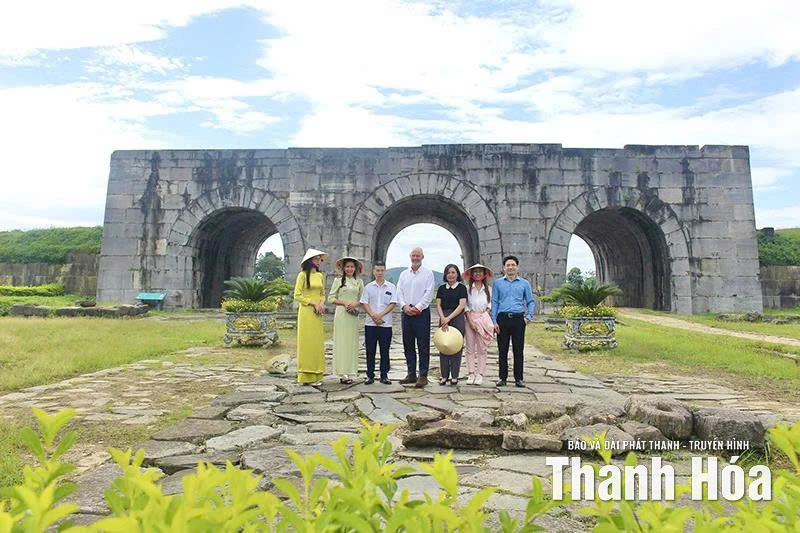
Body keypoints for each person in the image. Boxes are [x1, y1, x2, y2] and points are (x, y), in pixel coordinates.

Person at [491, 255, 535, 387]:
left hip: (518, 319)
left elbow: (530, 301)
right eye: (508, 265)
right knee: (502, 350)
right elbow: (494, 302)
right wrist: (494, 321)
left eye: (513, 265)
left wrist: (528, 317)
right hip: (502, 318)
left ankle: (519, 378)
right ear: (504, 268)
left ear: (517, 267)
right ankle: (502, 378)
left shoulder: (524, 283)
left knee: (518, 350)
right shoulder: (497, 283)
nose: (510, 267)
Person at [396, 247, 435, 388]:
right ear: (410, 256)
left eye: (418, 255)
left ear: (422, 257)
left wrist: (418, 307)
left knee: (423, 345)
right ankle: (411, 373)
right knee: (408, 344)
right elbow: (399, 292)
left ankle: (423, 375)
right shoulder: (403, 274)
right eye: (413, 255)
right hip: (406, 313)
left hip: (421, 313)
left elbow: (429, 293)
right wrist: (404, 306)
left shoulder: (428, 274)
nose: (415, 258)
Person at [359, 260, 397, 385]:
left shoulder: (391, 287)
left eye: (382, 270)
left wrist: (380, 315)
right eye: (377, 270)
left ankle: (384, 375)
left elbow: (393, 303)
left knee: (384, 350)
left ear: (385, 271)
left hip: (385, 323)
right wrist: (373, 316)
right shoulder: (368, 287)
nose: (379, 273)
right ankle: (370, 375)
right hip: (370, 324)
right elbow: (364, 303)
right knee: (370, 350)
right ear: (373, 271)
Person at [294, 248, 328, 385]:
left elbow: (322, 294)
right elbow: (297, 295)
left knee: (317, 343)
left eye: (320, 259)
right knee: (306, 342)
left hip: (318, 313)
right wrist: (312, 303)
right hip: (306, 312)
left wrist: (321, 304)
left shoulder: (319, 276)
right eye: (316, 259)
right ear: (309, 260)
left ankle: (317, 374)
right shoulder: (302, 275)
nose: (319, 261)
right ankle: (305, 375)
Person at [328, 256, 365, 384]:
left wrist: (355, 304)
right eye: (347, 267)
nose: (350, 269)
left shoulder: (359, 282)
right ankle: (342, 373)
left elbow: (363, 299)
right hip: (341, 314)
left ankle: (350, 371)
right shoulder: (338, 281)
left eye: (352, 267)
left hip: (352, 315)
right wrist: (344, 302)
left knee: (351, 342)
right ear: (343, 268)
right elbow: (331, 298)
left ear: (355, 268)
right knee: (341, 341)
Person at [435, 264, 467, 386]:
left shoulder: (461, 288)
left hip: (457, 317)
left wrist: (449, 318)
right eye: (448, 273)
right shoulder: (441, 288)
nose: (450, 275)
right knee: (443, 345)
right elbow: (438, 304)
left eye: (453, 272)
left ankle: (454, 375)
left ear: (457, 274)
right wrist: (443, 317)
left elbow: (461, 305)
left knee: (456, 345)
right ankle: (444, 375)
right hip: (444, 317)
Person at [463, 263, 494, 386]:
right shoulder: (467, 289)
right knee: (470, 348)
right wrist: (470, 321)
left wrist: (483, 318)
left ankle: (480, 374)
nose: (477, 274)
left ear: (484, 274)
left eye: (480, 271)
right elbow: (465, 306)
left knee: (482, 348)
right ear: (471, 274)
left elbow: (490, 305)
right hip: (470, 318)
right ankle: (471, 373)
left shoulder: (489, 289)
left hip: (484, 318)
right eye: (475, 271)